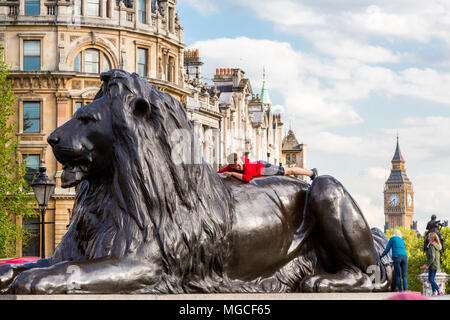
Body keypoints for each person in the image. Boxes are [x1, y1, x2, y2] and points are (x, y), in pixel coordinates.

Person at [217, 153, 318, 183]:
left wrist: (232, 174)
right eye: (235, 167)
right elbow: (219, 172)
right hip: (258, 168)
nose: (238, 168)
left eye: (239, 165)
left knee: (288, 171)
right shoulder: (230, 166)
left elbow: (247, 178)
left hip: (263, 168)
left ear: (240, 159)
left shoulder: (248, 165)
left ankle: (311, 173)